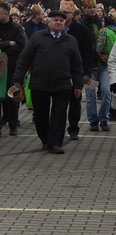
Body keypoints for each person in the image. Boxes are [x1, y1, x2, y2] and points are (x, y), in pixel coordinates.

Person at [12, 11, 83, 154]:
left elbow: (77, 65)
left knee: (59, 114)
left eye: (61, 21)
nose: (58, 23)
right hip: (40, 83)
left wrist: (77, 84)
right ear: (49, 22)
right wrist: (18, 80)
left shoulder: (70, 40)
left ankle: (55, 143)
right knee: (40, 115)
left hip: (62, 84)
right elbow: (24, 59)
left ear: (65, 24)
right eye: (55, 20)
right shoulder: (37, 37)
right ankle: (45, 139)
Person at [0, 2, 27, 137]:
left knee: (12, 97)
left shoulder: (17, 29)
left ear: (5, 14)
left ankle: (13, 124)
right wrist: (7, 44)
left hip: (13, 67)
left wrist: (3, 47)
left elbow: (21, 46)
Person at [61, 0, 93, 139]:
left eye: (65, 13)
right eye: (60, 12)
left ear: (73, 15)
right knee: (60, 103)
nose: (62, 16)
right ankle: (58, 129)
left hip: (76, 70)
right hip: (59, 71)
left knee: (75, 101)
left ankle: (73, 129)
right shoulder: (54, 29)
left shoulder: (81, 30)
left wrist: (86, 72)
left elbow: (87, 52)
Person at [81, 0, 111, 131]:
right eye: (89, 8)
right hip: (89, 67)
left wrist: (107, 55)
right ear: (84, 9)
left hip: (103, 65)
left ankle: (104, 118)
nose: (92, 10)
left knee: (106, 91)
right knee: (90, 95)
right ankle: (93, 121)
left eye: (94, 7)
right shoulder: (81, 25)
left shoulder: (102, 23)